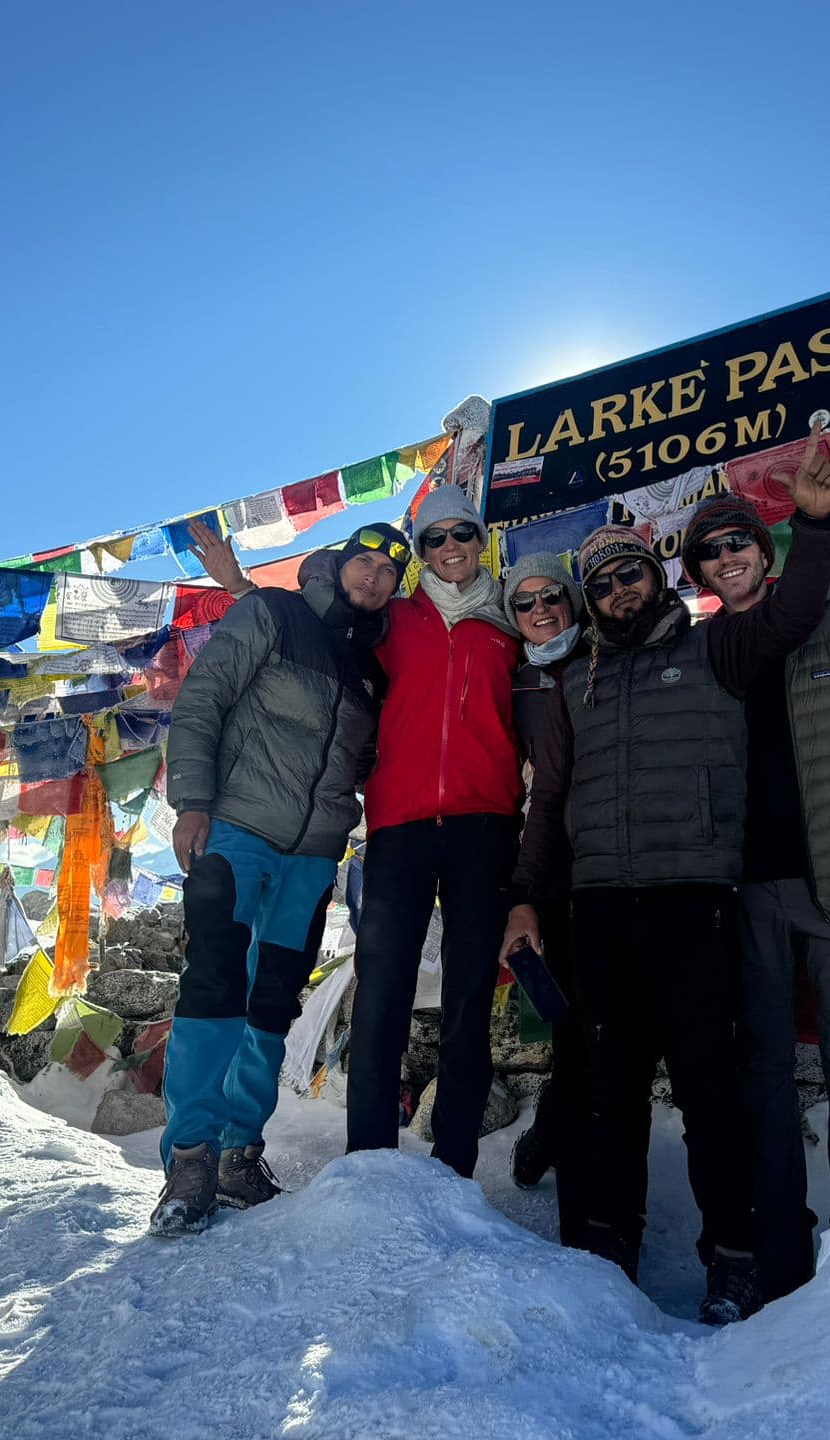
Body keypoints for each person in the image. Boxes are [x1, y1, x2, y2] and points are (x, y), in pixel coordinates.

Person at [502, 431, 830, 1325]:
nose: (620, 591)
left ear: (657, 577)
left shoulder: (717, 650)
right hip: (603, 910)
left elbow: (795, 610)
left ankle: (732, 1257)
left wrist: (812, 526)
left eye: (632, 575)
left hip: (697, 899)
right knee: (610, 1093)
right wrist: (526, 899)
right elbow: (549, 803)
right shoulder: (575, 681)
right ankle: (607, 1253)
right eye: (604, 581)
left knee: (709, 1088)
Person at [681, 492, 830, 1301]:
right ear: (701, 573)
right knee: (764, 1079)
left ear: (765, 549)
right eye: (710, 552)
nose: (727, 558)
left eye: (737, 542)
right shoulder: (708, 648)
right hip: (746, 891)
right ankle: (782, 1255)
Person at [150, 522, 409, 1236]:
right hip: (236, 829)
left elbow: (357, 759)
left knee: (272, 1003)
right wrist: (192, 803)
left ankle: (239, 1152)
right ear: (339, 564)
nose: (374, 579)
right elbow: (203, 700)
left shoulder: (370, 668)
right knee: (213, 988)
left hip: (313, 854)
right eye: (364, 563)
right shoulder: (271, 613)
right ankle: (192, 1155)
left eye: (390, 574)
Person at [344, 485, 523, 1177]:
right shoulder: (392, 621)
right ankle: (367, 1162)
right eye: (435, 538)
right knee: (382, 987)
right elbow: (327, 616)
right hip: (399, 823)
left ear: (481, 541)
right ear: (419, 553)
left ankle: (454, 1165)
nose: (451, 547)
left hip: (485, 825)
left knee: (469, 994)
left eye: (462, 534)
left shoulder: (510, 621)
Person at [497, 552, 594, 1247]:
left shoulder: (606, 657)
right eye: (524, 602)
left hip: (616, 860)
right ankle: (556, 1138)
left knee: (603, 1023)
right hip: (544, 869)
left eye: (550, 596)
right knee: (570, 1020)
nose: (539, 610)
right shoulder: (511, 682)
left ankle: (557, 1135)